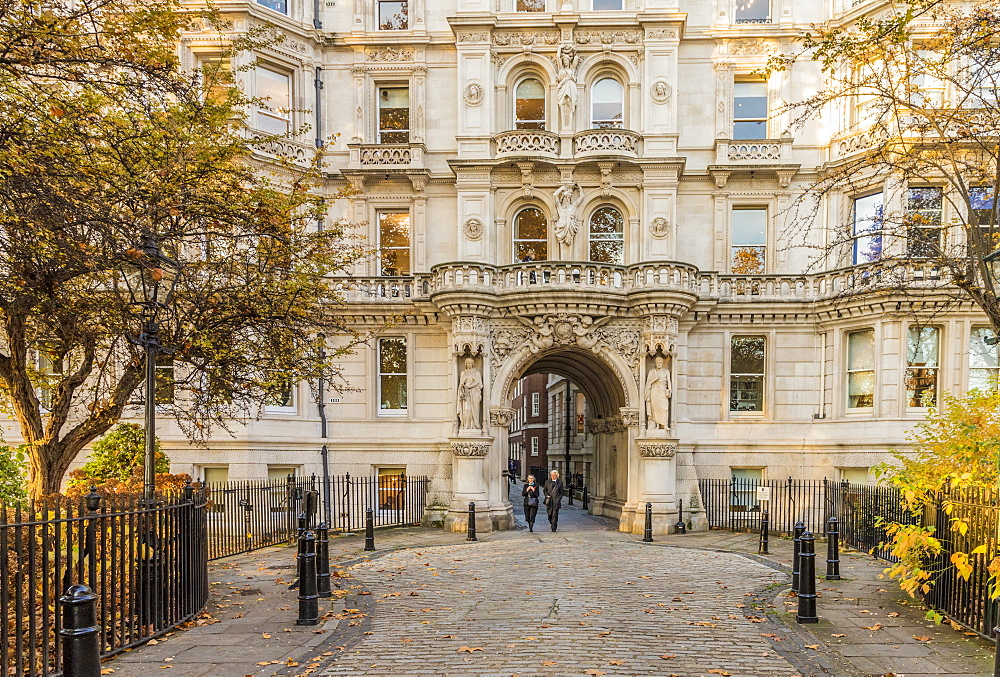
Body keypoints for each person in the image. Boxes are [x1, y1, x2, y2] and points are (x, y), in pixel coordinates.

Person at [644, 355, 672, 431]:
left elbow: (669, 382)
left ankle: (665, 424)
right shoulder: (652, 372)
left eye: (660, 362)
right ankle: (657, 425)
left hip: (663, 391)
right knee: (655, 409)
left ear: (662, 363)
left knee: (664, 408)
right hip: (654, 391)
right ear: (655, 363)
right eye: (657, 362)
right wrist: (654, 380)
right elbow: (648, 383)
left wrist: (669, 390)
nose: (659, 364)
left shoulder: (666, 371)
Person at [457, 357, 483, 429]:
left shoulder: (476, 373)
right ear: (466, 364)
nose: (469, 365)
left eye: (471, 363)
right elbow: (461, 384)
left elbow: (480, 384)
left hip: (474, 393)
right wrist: (463, 386)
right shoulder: (463, 373)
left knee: (474, 409)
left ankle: (474, 425)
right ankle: (466, 424)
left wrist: (472, 385)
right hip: (466, 392)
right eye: (468, 363)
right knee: (467, 409)